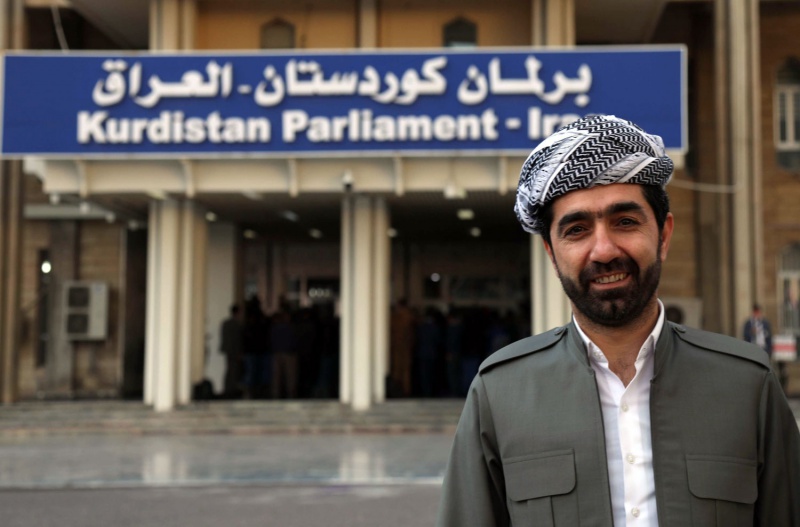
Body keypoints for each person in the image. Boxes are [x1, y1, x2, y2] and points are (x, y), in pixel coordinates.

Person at [437, 115, 800, 526]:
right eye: (577, 230)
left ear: (663, 235)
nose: (604, 250)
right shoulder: (500, 393)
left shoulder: (747, 386)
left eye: (625, 222)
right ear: (552, 253)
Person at [219, 303, 243, 398]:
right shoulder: (237, 324)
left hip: (228, 350)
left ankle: (228, 388)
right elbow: (237, 339)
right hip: (234, 350)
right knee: (233, 370)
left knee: (229, 369)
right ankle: (231, 389)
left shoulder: (225, 323)